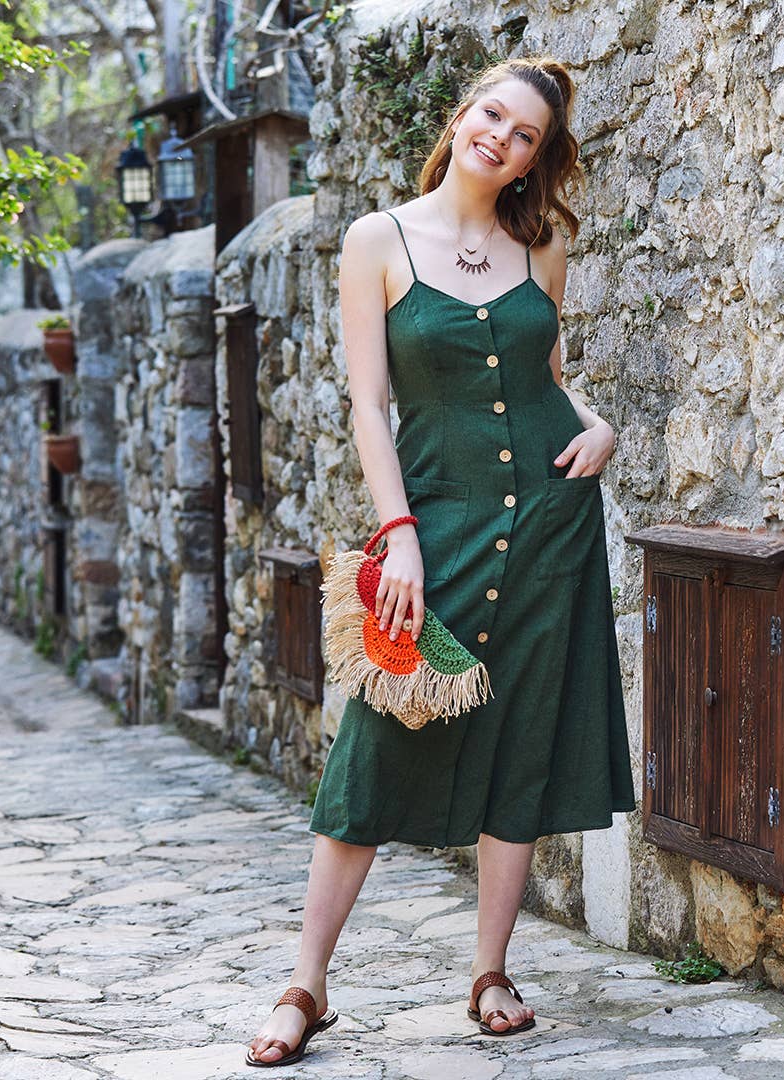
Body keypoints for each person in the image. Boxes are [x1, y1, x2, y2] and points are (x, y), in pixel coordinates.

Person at [245, 55, 635, 1068]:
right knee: (374, 744)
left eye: (524, 136)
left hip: (551, 526)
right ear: (463, 116)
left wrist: (599, 426)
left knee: (524, 737)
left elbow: (551, 375)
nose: (500, 138)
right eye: (492, 116)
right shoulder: (377, 239)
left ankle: (491, 970)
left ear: (534, 161)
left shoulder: (543, 244)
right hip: (436, 526)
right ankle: (306, 983)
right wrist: (401, 535)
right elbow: (368, 407)